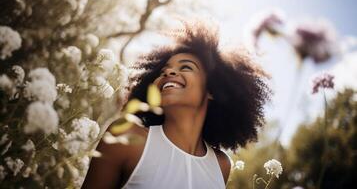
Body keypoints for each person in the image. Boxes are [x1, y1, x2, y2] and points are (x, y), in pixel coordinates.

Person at [82, 20, 271, 189]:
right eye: (164, 70)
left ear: (212, 90)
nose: (169, 73)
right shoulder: (127, 138)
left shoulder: (222, 165)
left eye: (186, 67)